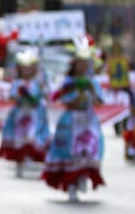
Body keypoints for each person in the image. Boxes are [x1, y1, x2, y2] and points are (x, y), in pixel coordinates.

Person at [42, 42, 104, 202]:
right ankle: (71, 184)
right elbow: (61, 99)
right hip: (71, 121)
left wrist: (90, 90)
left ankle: (82, 175)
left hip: (88, 121)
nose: (83, 65)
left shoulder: (92, 81)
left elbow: (99, 101)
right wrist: (77, 96)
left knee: (90, 149)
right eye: (80, 62)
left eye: (86, 62)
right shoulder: (68, 81)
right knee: (70, 152)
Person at [0, 48, 50, 177]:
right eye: (24, 67)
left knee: (32, 137)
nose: (27, 70)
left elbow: (46, 95)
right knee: (19, 139)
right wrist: (21, 95)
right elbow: (12, 97)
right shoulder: (17, 83)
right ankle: (19, 164)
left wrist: (42, 91)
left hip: (36, 114)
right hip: (20, 115)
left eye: (29, 67)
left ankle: (31, 158)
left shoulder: (39, 82)